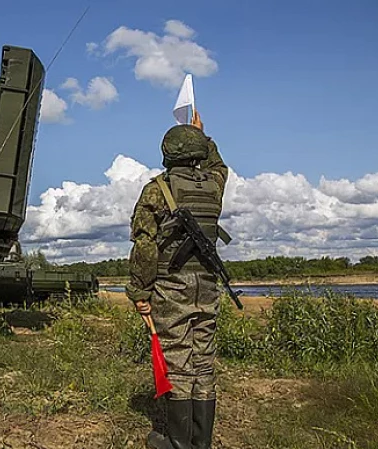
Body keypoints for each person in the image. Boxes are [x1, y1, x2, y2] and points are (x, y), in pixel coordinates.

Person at [126, 111, 229, 449]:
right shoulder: (213, 186)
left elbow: (145, 245)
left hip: (172, 288)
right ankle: (201, 442)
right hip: (208, 285)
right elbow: (219, 167)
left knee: (178, 360)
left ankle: (178, 443)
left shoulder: (158, 190)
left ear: (167, 153)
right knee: (203, 360)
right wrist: (204, 135)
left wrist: (140, 291)